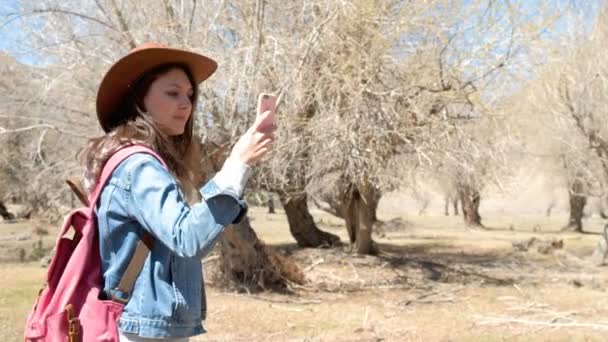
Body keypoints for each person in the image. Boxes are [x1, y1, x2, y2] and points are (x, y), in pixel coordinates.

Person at [80, 42, 275, 341]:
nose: (186, 103)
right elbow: (188, 238)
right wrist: (238, 164)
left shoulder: (132, 160)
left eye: (190, 95)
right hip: (142, 330)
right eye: (173, 93)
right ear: (139, 99)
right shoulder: (139, 166)